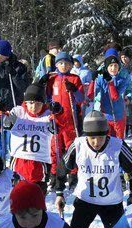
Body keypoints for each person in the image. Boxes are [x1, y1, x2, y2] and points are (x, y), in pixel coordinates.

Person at [0, 83, 61, 191]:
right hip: (19, 161)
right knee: (17, 196)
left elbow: (59, 127)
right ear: (25, 102)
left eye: (38, 104)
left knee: (36, 197)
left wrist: (58, 113)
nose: (34, 107)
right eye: (31, 103)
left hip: (39, 163)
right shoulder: (19, 113)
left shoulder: (47, 115)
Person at [45, 52, 85, 187]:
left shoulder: (75, 79)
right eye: (61, 63)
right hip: (57, 119)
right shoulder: (53, 79)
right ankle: (54, 174)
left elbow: (81, 99)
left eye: (67, 64)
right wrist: (50, 106)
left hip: (71, 120)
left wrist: (74, 90)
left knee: (71, 148)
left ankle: (73, 173)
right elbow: (48, 97)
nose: (64, 66)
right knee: (55, 148)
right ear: (56, 65)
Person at [93, 51, 132, 139]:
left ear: (119, 67)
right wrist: (93, 81)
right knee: (106, 140)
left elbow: (115, 97)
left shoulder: (122, 80)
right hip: (105, 115)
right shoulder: (101, 78)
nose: (113, 68)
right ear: (106, 67)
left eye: (115, 65)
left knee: (118, 141)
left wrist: (110, 82)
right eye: (111, 66)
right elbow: (92, 94)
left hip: (118, 115)